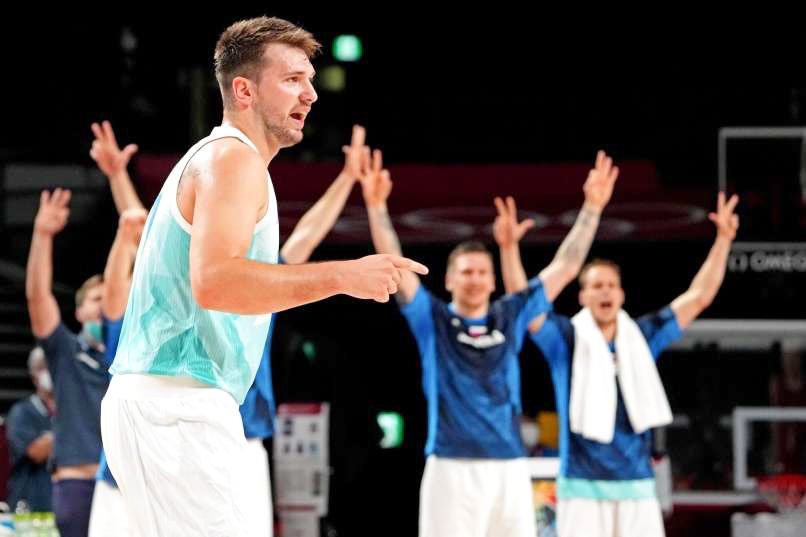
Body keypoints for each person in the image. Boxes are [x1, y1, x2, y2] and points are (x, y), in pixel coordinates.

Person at [100, 16, 426, 537]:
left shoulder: (225, 159)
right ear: (244, 90)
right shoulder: (234, 159)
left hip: (169, 401)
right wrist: (344, 276)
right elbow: (216, 282)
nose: (311, 94)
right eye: (293, 79)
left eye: (310, 80)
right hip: (178, 402)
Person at [360, 148, 618, 537]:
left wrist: (592, 208)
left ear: (493, 281)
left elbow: (565, 267)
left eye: (482, 272)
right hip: (451, 465)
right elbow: (395, 263)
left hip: (509, 465)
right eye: (466, 272)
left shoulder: (509, 316)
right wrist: (377, 206)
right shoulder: (433, 319)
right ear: (449, 280)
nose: (475, 279)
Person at [499, 188, 739, 537]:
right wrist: (509, 249)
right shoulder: (566, 339)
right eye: (597, 285)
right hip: (581, 486)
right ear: (583, 296)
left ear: (622, 294)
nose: (605, 291)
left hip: (637, 486)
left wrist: (723, 241)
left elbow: (698, 297)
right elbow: (524, 307)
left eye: (611, 285)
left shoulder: (640, 338)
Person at [25, 187, 110, 537]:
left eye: (110, 298)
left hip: (125, 485)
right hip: (79, 482)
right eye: (95, 299)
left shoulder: (132, 355)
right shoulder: (65, 349)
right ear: (79, 311)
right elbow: (37, 296)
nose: (103, 306)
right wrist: (42, 235)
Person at [5, 347, 55, 513]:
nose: (49, 371)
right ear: (34, 376)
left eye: (52, 365)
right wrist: (69, 430)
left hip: (63, 501)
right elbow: (36, 452)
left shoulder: (70, 410)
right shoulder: (22, 412)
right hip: (29, 503)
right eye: (42, 367)